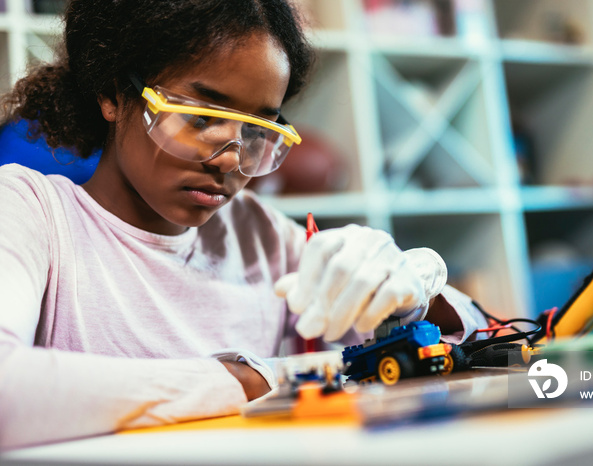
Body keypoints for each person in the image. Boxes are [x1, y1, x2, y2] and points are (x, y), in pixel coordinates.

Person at [0, 0, 487, 450]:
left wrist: (415, 287)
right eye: (201, 117)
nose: (232, 158)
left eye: (258, 130)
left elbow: (483, 340)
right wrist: (248, 380)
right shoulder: (31, 212)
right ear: (112, 92)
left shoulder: (255, 234)